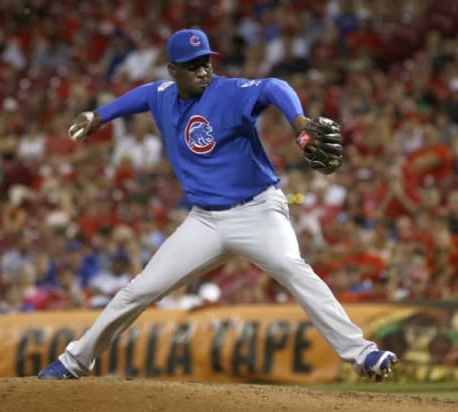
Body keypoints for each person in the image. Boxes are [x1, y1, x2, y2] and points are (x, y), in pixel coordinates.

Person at [38, 28, 397, 381]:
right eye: (192, 65)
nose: (203, 70)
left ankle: (362, 353)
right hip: (205, 222)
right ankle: (74, 362)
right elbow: (142, 95)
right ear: (173, 70)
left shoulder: (229, 92)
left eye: (206, 61)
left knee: (292, 267)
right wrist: (99, 115)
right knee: (141, 289)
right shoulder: (163, 94)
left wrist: (299, 122)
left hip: (258, 210)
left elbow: (275, 87)